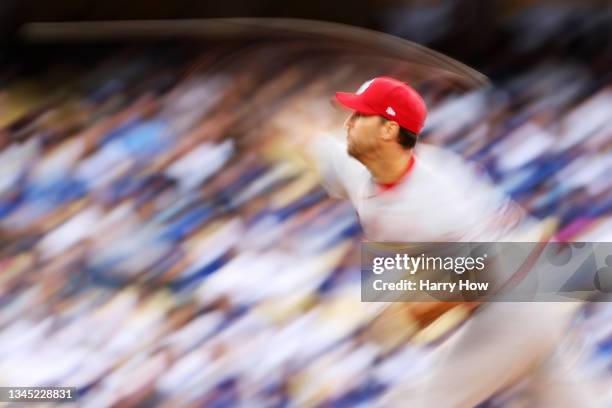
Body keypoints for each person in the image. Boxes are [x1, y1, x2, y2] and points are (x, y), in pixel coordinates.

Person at [303, 76, 599, 407]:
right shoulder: (365, 164)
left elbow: (464, 285)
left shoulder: (436, 199)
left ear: (387, 130)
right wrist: (299, 131)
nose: (348, 123)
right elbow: (322, 149)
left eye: (359, 116)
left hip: (519, 298)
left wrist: (397, 320)